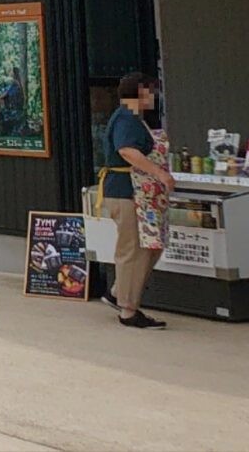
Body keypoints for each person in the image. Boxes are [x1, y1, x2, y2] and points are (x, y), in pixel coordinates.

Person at [100, 71, 175, 329]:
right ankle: (129, 310)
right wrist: (159, 174)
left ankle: (118, 292)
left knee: (149, 246)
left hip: (137, 195)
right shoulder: (127, 118)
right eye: (150, 91)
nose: (154, 97)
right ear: (138, 93)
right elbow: (127, 150)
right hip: (127, 192)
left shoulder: (133, 118)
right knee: (134, 250)